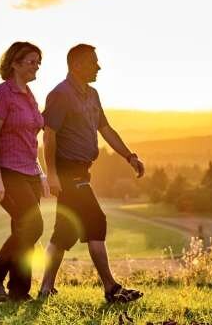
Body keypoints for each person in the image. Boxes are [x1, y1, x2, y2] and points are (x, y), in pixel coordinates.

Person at [38, 44, 146, 303]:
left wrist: (130, 156)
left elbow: (106, 129)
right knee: (96, 220)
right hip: (67, 171)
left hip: (82, 171)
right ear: (76, 66)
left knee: (64, 231)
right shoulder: (60, 95)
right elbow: (49, 135)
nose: (99, 67)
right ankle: (111, 288)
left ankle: (45, 289)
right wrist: (51, 174)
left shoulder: (93, 94)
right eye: (93, 62)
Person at [0, 41, 51, 302]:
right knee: (33, 225)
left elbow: (30, 139)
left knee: (23, 230)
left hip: (29, 173)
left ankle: (19, 292)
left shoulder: (29, 96)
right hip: (6, 172)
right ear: (14, 63)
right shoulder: (0, 94)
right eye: (31, 61)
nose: (36, 66)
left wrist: (40, 172)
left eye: (38, 62)